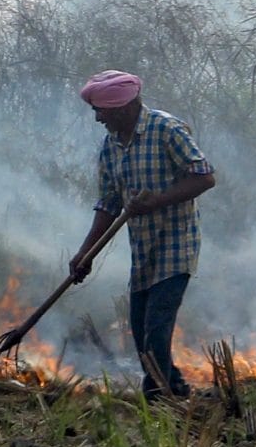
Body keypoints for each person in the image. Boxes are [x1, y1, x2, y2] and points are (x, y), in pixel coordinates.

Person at [69, 69, 216, 400]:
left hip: (177, 245)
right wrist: (84, 254)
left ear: (121, 108)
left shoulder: (167, 130)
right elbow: (108, 204)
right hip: (144, 250)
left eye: (100, 111)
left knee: (155, 329)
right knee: (140, 330)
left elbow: (205, 177)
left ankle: (158, 397)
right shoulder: (110, 148)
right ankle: (175, 389)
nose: (97, 119)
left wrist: (158, 201)